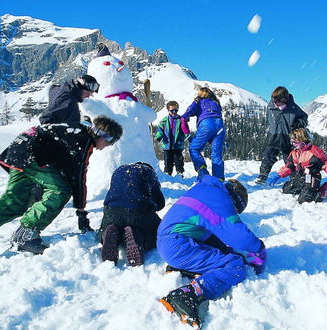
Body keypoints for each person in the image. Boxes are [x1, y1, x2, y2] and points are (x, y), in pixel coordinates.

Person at [0, 115, 123, 267]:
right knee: (60, 191)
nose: (107, 147)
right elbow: (78, 176)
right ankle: (26, 234)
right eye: (110, 142)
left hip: (19, 151)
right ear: (104, 135)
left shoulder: (77, 131)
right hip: (32, 153)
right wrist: (81, 211)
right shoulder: (84, 140)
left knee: (15, 202)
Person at [157, 175, 265, 328]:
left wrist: (230, 251)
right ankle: (187, 295)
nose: (233, 212)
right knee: (235, 267)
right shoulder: (220, 200)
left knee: (222, 251)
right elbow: (239, 235)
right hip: (178, 246)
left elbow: (217, 237)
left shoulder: (207, 191)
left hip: (171, 242)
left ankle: (182, 267)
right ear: (234, 201)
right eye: (235, 210)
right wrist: (259, 252)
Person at [98, 162, 165, 266]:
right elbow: (160, 203)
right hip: (138, 212)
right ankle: (140, 238)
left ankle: (107, 233)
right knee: (160, 232)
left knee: (103, 228)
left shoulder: (119, 170)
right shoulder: (148, 172)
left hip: (112, 211)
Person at [267, 128, 327, 203]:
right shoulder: (294, 153)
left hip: (312, 177)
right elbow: (289, 166)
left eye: (295, 142)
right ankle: (307, 190)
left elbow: (326, 162)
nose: (293, 144)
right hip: (300, 177)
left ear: (302, 139)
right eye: (292, 141)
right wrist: (278, 175)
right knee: (286, 189)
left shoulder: (314, 151)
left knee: (304, 199)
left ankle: (324, 190)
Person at [255, 86, 308, 184]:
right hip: (274, 136)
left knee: (290, 160)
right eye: (274, 101)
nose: (275, 104)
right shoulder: (270, 106)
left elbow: (304, 117)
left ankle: (294, 178)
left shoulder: (293, 108)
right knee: (268, 157)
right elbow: (269, 120)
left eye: (277, 101)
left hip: (288, 138)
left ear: (285, 99)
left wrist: (299, 123)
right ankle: (263, 176)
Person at [181, 87, 225, 181]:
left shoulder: (199, 101)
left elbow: (189, 111)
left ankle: (203, 173)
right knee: (216, 155)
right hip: (220, 125)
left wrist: (185, 117)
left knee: (194, 148)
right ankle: (219, 180)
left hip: (206, 124)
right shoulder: (216, 102)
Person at [155, 101, 190, 177]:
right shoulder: (164, 121)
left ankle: (180, 173)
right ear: (168, 110)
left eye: (176, 110)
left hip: (178, 144)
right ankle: (168, 174)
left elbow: (186, 130)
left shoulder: (181, 120)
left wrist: (187, 132)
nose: (174, 112)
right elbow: (160, 129)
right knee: (168, 161)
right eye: (172, 111)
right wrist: (158, 136)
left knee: (179, 160)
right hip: (167, 145)